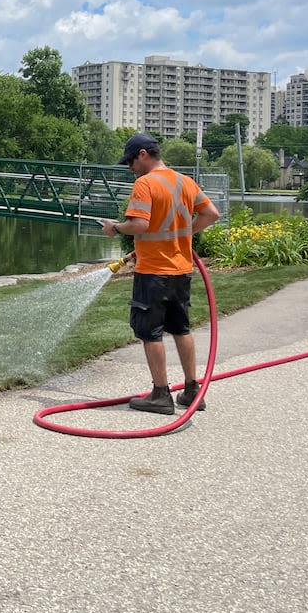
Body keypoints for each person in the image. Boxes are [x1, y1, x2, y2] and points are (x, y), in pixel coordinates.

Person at [99, 133, 221, 415]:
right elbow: (211, 214)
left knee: (150, 332)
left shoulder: (146, 183)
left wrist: (115, 227)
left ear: (143, 154)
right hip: (180, 269)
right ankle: (192, 390)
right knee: (181, 328)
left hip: (153, 271)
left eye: (130, 161)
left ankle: (160, 395)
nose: (130, 168)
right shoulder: (184, 181)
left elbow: (139, 225)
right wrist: (181, 235)